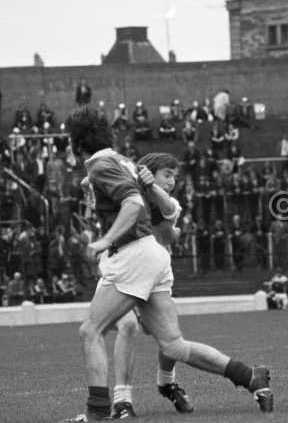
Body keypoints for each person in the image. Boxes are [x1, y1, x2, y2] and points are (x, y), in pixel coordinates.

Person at [58, 109, 273, 422]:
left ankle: (97, 414)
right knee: (173, 346)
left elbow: (132, 203)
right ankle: (250, 376)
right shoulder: (121, 160)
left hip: (132, 254)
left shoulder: (101, 165)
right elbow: (153, 204)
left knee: (90, 330)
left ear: (77, 144)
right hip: (152, 256)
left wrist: (105, 240)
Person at [100, 153, 194, 417]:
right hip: (125, 272)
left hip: (155, 276)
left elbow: (170, 233)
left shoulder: (166, 201)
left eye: (174, 176)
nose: (172, 181)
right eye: (167, 174)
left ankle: (167, 382)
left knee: (169, 338)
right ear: (149, 172)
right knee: (128, 326)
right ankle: (122, 401)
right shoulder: (128, 196)